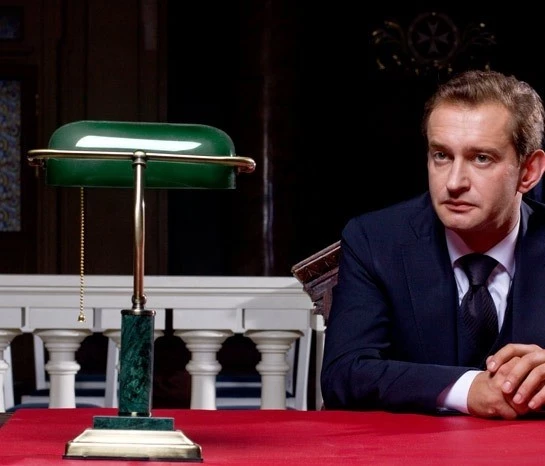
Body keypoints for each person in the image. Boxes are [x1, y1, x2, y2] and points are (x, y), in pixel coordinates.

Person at [321, 69, 545, 419]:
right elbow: (344, 374)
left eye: (481, 158)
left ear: (528, 171)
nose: (454, 182)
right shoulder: (375, 241)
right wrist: (467, 389)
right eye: (441, 155)